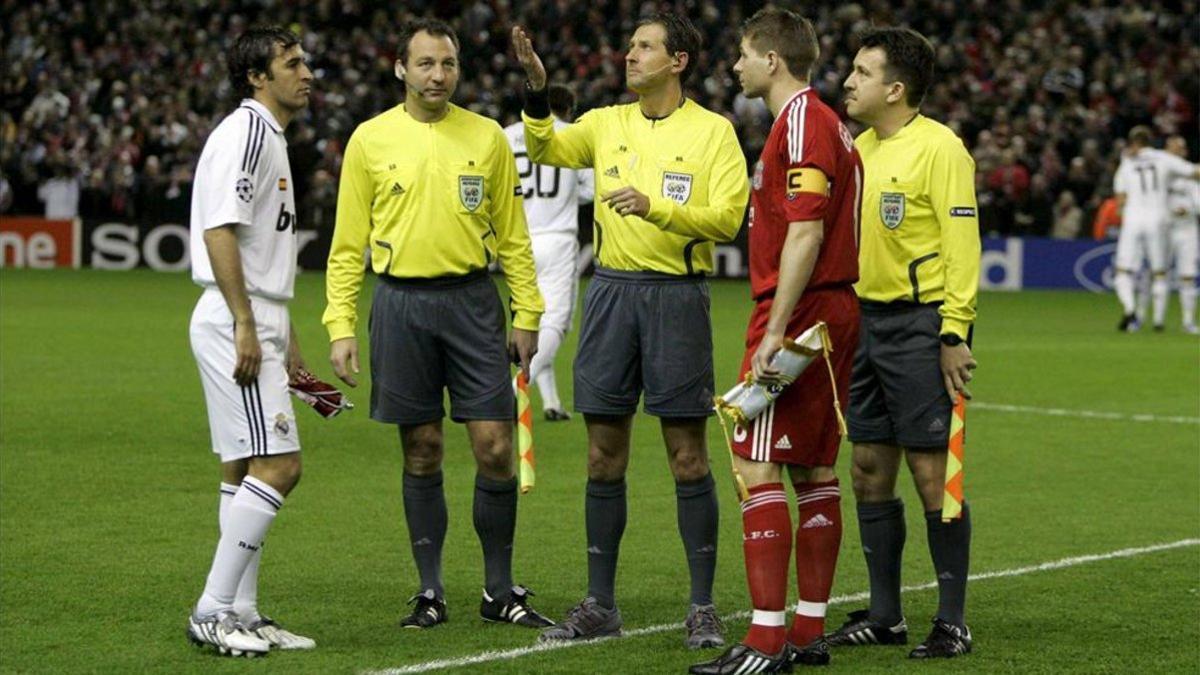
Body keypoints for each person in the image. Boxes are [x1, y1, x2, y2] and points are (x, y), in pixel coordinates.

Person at [512, 12, 750, 648]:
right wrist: (538, 93)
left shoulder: (714, 133)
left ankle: (702, 605)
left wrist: (657, 207)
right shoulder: (603, 122)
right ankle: (599, 604)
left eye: (645, 47)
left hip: (677, 297)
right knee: (601, 452)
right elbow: (546, 149)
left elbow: (729, 219)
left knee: (687, 454)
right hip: (612, 294)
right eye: (631, 45)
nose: (630, 55)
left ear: (678, 62)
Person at [323, 18, 552, 631]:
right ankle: (429, 591)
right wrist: (340, 324)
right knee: (421, 450)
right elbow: (346, 247)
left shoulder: (488, 138)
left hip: (474, 303)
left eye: (447, 64)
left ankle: (499, 589)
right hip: (400, 305)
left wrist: (527, 313)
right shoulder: (369, 140)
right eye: (425, 63)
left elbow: (514, 236)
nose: (437, 75)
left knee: (495, 447)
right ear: (401, 69)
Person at [690, 9, 862, 674]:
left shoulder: (801, 124)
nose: (736, 66)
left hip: (799, 311)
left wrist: (778, 327)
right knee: (815, 468)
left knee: (753, 460)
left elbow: (807, 231)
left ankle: (765, 644)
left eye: (743, 54)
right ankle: (808, 629)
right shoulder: (834, 127)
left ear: (772, 59)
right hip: (837, 308)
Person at [827, 27, 981, 659]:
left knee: (930, 472)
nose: (848, 81)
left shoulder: (941, 148)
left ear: (895, 89)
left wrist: (954, 331)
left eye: (862, 72)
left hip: (921, 327)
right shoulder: (856, 150)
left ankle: (951, 620)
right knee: (867, 470)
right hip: (863, 323)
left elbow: (961, 245)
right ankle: (886, 614)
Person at [186, 25, 316, 656]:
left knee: (243, 467)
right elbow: (220, 232)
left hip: (258, 315)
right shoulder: (247, 133)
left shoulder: (268, 135)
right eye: (292, 63)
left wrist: (285, 341)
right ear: (257, 77)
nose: (307, 71)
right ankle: (213, 608)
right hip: (235, 317)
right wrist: (246, 322)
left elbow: (261, 250)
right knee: (281, 464)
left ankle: (242, 610)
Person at [503, 85, 595, 421]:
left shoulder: (507, 135)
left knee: (532, 320)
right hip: (557, 238)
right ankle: (511, 390)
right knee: (555, 322)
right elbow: (592, 188)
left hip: (517, 241)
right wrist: (567, 197)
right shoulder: (573, 135)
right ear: (568, 109)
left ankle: (552, 402)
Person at [1111, 126, 1200, 332]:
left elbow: (1120, 199)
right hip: (1159, 221)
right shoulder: (1163, 159)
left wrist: (1123, 209)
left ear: (1132, 143)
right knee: (1159, 273)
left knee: (1124, 271)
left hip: (1133, 219)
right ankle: (1156, 321)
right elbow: (1194, 172)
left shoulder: (1126, 161)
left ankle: (1131, 309)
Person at [1165, 135, 1200, 334]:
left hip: (1187, 229)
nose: (1175, 151)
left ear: (1184, 151)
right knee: (1156, 274)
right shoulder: (1160, 172)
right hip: (1164, 229)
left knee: (1187, 276)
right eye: (1172, 148)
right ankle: (1141, 318)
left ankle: (1188, 321)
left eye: (1179, 148)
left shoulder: (1193, 174)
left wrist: (1189, 210)